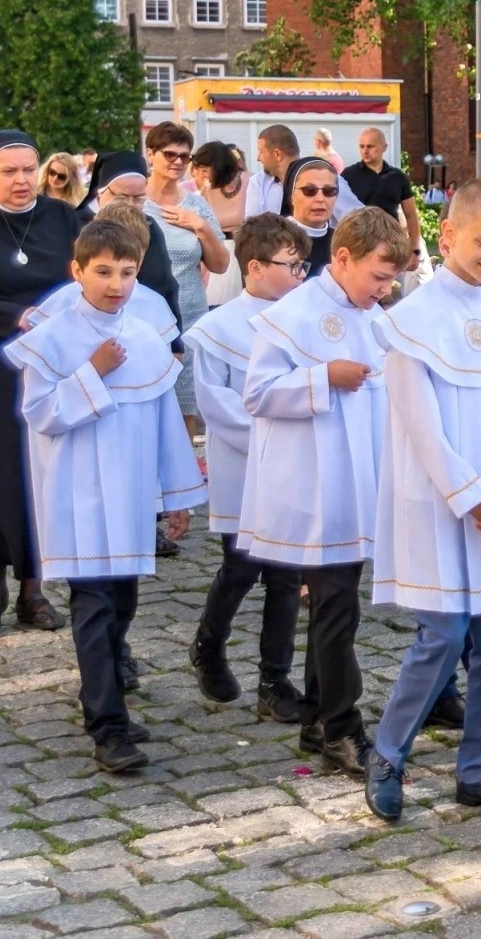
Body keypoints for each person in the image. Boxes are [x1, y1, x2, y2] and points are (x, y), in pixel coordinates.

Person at [364, 180, 481, 824]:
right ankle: (388, 754)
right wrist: (470, 497)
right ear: (447, 236)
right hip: (437, 502)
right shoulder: (409, 322)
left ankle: (478, 770)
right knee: (441, 636)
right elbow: (420, 426)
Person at [3, 219, 206, 771]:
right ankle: (107, 727)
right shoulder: (52, 338)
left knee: (123, 604)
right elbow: (40, 413)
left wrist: (177, 496)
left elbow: (165, 420)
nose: (116, 284)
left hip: (131, 493)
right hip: (79, 493)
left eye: (127, 272)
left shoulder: (143, 338)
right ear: (78, 271)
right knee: (92, 606)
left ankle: (107, 696)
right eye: (103, 272)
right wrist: (92, 373)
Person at [237, 208, 409, 778]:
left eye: (390, 281)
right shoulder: (294, 314)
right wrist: (322, 377)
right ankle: (341, 728)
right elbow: (258, 394)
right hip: (315, 483)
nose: (384, 290)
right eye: (377, 277)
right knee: (337, 606)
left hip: (360, 480)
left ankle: (316, 717)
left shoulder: (375, 316)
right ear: (342, 258)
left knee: (339, 602)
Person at [185, 214, 311, 725]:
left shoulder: (305, 318)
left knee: (286, 575)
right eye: (291, 266)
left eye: (303, 266)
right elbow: (214, 403)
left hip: (294, 465)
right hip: (244, 462)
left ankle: (274, 680)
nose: (300, 275)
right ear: (255, 267)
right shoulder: (217, 329)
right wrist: (270, 439)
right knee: (240, 567)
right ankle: (208, 645)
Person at [0, 133, 85, 636]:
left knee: (43, 469)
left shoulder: (63, 218)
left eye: (28, 169)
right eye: (9, 171)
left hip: (51, 363)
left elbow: (87, 276)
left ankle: (34, 588)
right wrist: (17, 315)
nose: (22, 181)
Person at [144, 122, 230, 440]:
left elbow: (220, 264)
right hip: (145, 320)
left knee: (185, 409)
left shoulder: (196, 205)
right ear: (150, 154)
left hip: (190, 318)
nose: (178, 162)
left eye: (185, 156)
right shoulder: (136, 202)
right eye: (170, 154)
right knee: (145, 406)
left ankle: (186, 470)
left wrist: (200, 227)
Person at [79, 151, 183, 344]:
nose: (130, 205)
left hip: (146, 331)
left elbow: (166, 284)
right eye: (122, 196)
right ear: (101, 191)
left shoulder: (148, 226)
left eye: (138, 198)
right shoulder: (75, 225)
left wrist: (176, 344)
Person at [342, 128, 424, 277]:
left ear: (384, 147)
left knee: (393, 287)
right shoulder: (348, 175)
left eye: (370, 146)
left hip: (391, 244)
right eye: (362, 146)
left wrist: (415, 250)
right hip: (360, 244)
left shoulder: (397, 177)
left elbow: (411, 215)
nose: (365, 151)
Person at [245, 125, 362, 223]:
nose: (258, 158)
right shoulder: (259, 182)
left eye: (261, 151)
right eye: (309, 191)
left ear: (277, 154)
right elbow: (251, 229)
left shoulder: (327, 180)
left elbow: (359, 222)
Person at [192, 141, 249, 308]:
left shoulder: (249, 182)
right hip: (218, 253)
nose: (202, 176)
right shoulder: (207, 191)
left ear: (218, 166)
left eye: (205, 170)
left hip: (246, 250)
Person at [279, 157, 342, 276]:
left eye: (329, 191)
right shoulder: (272, 240)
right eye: (309, 190)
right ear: (291, 195)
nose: (320, 199)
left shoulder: (344, 242)